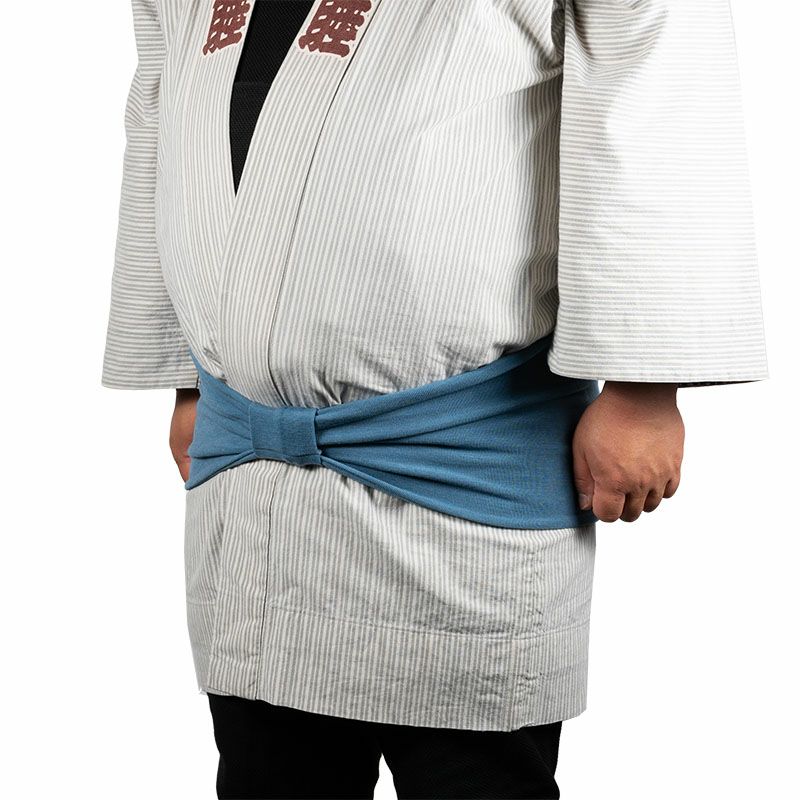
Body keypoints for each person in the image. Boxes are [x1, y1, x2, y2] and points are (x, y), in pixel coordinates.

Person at [101, 1, 768, 798]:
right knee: (268, 766)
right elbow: (165, 103)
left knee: (475, 773)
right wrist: (187, 370)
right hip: (248, 461)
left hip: (463, 466)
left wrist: (643, 384)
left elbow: (655, 60)